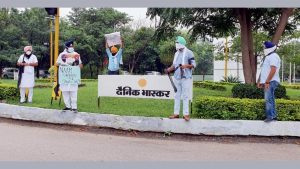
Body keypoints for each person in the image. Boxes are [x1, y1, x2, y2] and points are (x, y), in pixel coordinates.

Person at [165, 36, 196, 121]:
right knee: (177, 95)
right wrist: (168, 69)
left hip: (186, 77)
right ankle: (176, 114)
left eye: (177, 43)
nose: (176, 44)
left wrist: (186, 66)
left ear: (182, 44)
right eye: (176, 43)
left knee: (185, 96)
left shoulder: (189, 53)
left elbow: (194, 65)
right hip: (177, 77)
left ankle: (186, 114)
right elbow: (174, 65)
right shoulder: (176, 53)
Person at [56, 40, 83, 113]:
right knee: (65, 92)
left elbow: (80, 65)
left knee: (73, 92)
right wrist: (64, 64)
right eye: (70, 46)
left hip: (73, 77)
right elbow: (57, 63)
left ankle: (74, 107)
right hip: (65, 77)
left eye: (72, 46)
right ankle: (67, 106)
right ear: (67, 47)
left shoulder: (76, 54)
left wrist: (77, 65)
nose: (71, 47)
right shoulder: (62, 54)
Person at [257, 41, 281, 122]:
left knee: (268, 99)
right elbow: (265, 71)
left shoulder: (273, 56)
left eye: (265, 47)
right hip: (269, 81)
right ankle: (273, 116)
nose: (264, 48)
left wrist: (267, 82)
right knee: (270, 99)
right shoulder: (269, 56)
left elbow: (273, 70)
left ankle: (270, 117)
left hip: (271, 81)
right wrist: (261, 82)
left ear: (269, 48)